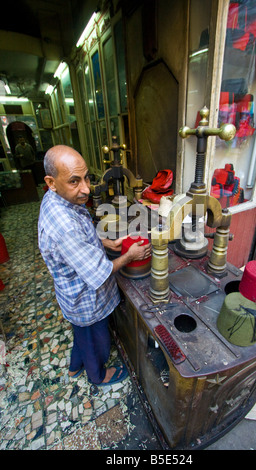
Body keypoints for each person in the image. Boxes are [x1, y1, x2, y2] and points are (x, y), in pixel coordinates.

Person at [38, 145, 151, 395]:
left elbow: (79, 238)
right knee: (95, 339)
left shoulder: (56, 198)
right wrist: (131, 255)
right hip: (84, 298)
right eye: (75, 181)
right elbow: (99, 272)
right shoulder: (64, 225)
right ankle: (98, 375)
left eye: (87, 177)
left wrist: (106, 242)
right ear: (51, 181)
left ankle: (74, 367)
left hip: (70, 292)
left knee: (80, 333)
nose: (86, 188)